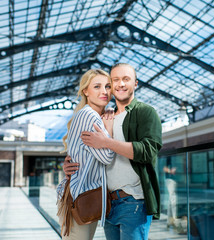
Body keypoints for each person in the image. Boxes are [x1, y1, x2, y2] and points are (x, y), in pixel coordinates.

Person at [63, 63, 162, 240]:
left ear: (136, 83)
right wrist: (70, 164)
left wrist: (107, 142)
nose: (120, 84)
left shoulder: (145, 112)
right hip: (107, 203)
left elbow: (148, 151)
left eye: (126, 79)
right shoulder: (104, 116)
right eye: (115, 80)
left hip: (134, 201)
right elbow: (86, 151)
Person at [56, 69, 115, 239]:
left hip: (83, 195)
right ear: (85, 91)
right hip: (80, 197)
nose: (104, 91)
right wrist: (109, 130)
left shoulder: (92, 115)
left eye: (107, 86)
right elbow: (107, 157)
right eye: (97, 86)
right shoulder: (90, 116)